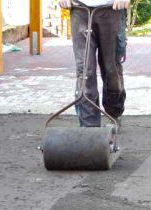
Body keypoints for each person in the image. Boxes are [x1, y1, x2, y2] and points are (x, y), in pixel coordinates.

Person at [58, 0, 130, 131]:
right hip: (80, 9)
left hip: (111, 9)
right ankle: (89, 126)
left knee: (111, 68)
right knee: (85, 71)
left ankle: (114, 113)